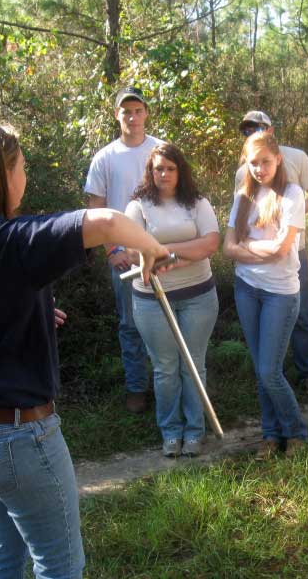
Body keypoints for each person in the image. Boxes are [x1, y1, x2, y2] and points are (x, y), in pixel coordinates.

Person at [0, 122, 169, 578]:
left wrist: (29, 310)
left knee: (2, 550)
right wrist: (152, 247)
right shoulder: (11, 240)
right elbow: (107, 222)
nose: (26, 174)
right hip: (11, 434)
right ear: (0, 175)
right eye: (21, 165)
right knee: (60, 563)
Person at [125, 144, 220, 458]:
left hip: (198, 297)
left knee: (193, 365)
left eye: (170, 168)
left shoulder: (197, 203)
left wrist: (165, 254)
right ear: (150, 172)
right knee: (165, 368)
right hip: (152, 300)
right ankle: (171, 432)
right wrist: (185, 252)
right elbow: (132, 251)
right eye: (158, 168)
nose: (164, 174)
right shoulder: (137, 207)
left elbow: (210, 244)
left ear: (180, 171)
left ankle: (194, 432)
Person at [224, 132, 308, 460]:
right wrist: (261, 249)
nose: (259, 169)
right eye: (253, 162)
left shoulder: (292, 194)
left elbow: (282, 249)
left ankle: (296, 432)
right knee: (262, 368)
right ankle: (271, 435)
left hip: (280, 294)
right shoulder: (243, 196)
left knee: (269, 371)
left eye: (265, 162)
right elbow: (228, 248)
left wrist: (246, 246)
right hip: (247, 289)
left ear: (278, 159)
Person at [84, 86, 165, 413]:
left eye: (138, 110)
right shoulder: (105, 158)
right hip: (124, 255)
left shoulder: (161, 150)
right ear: (117, 115)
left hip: (161, 249)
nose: (132, 117)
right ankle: (136, 387)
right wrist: (111, 249)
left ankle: (168, 385)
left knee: (167, 319)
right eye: (126, 111)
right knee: (130, 324)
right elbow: (96, 207)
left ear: (146, 113)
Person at [236, 111, 308, 398]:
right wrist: (253, 244)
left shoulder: (296, 157)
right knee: (266, 333)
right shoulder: (244, 171)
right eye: (247, 129)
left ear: (271, 129)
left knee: (300, 316)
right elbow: (239, 221)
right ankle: (275, 378)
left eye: (259, 127)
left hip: (293, 251)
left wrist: (289, 217)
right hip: (253, 266)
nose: (253, 132)